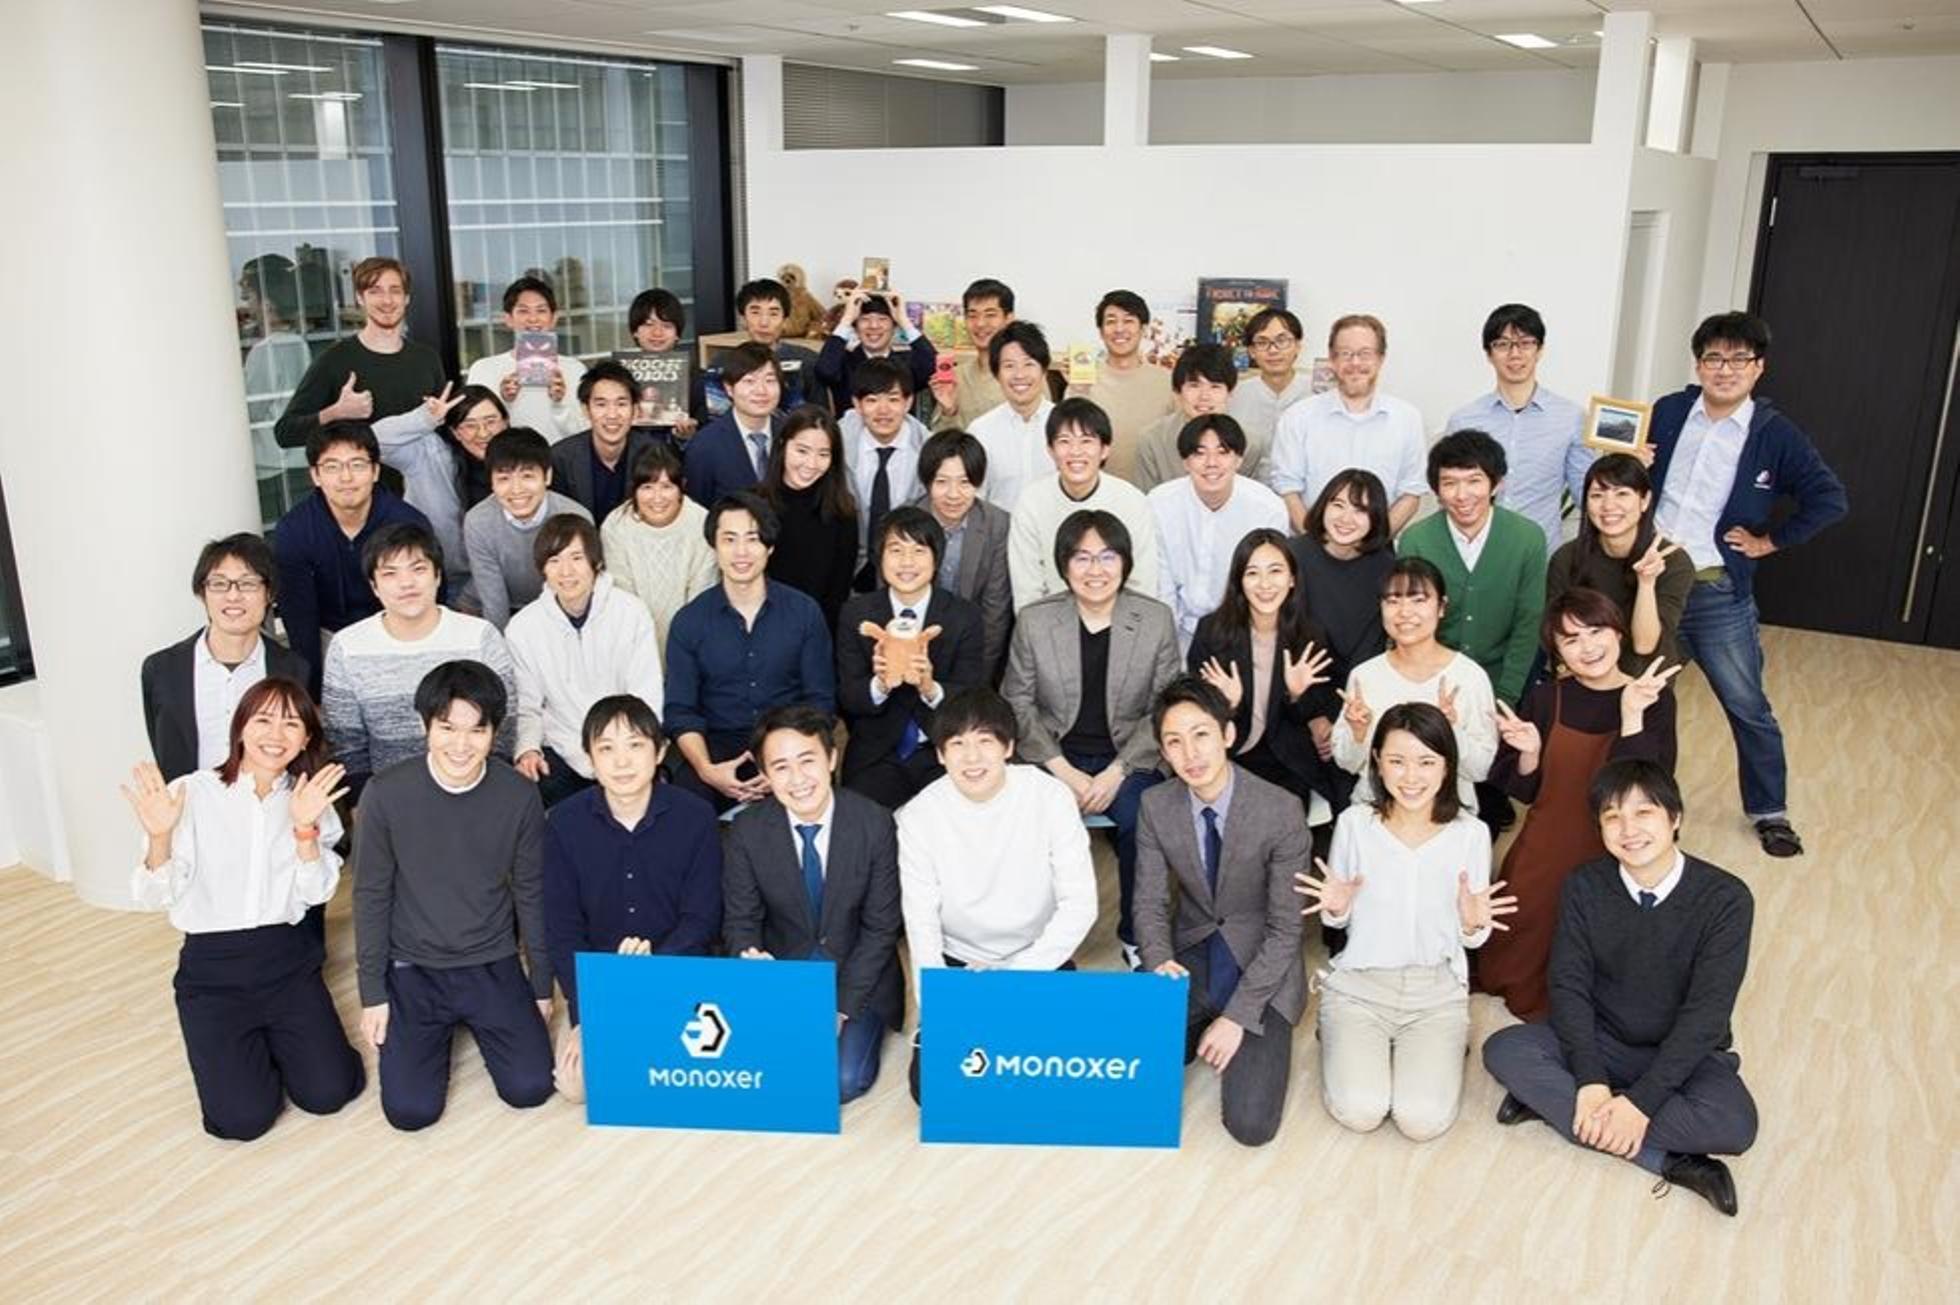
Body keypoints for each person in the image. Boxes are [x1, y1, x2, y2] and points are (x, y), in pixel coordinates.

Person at [1482, 759, 1758, 1217]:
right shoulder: (1585, 885)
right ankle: (1667, 1161)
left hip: (1681, 1051)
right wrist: (1592, 1080)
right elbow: (1568, 985)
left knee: (1735, 1124)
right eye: (1613, 816)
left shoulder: (1726, 899)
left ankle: (1560, 1108)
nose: (1629, 829)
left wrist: (1641, 1104)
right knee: (1504, 1049)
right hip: (1603, 1041)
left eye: (1644, 812)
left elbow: (1706, 1017)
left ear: (1675, 818)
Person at [123, 678, 363, 1141]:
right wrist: (159, 837)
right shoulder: (191, 792)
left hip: (288, 963)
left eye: (291, 724)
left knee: (329, 1093)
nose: (276, 735)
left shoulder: (309, 800)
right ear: (240, 728)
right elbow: (153, 896)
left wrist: (304, 829)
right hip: (212, 975)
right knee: (243, 1120)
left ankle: (285, 1047)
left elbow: (316, 893)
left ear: (306, 739)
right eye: (263, 720)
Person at [1648, 310, 1847, 857]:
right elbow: (1631, 483)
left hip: (1715, 593)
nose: (1725, 368)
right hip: (1652, 587)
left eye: (1739, 359)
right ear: (1698, 364)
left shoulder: (1774, 434)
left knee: (1747, 705)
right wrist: (1633, 463)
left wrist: (1770, 541)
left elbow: (1829, 498)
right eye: (1714, 357)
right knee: (1644, 698)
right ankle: (1647, 805)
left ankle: (1769, 811)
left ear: (1759, 368)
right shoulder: (1668, 412)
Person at [1297, 702, 1513, 1141]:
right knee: (1361, 1110)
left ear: (1447, 765)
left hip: (1435, 994)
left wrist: (1473, 925)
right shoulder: (1355, 824)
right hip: (1360, 988)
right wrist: (1335, 909)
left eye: (1426, 762)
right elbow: (1339, 920)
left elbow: (1473, 939)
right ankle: (1335, 1032)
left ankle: (1443, 1046)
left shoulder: (1471, 833)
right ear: (1377, 761)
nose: (1411, 777)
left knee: (1421, 1120)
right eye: (1397, 761)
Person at [353, 661, 555, 1131]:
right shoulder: (385, 794)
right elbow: (370, 896)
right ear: (425, 725)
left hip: (491, 959)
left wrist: (541, 986)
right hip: (413, 966)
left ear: (495, 732)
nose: (461, 745)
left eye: (476, 730)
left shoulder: (519, 796)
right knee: (410, 1112)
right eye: (447, 728)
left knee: (530, 1088)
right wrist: (372, 993)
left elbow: (531, 892)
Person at [1482, 589, 1680, 1021]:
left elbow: (1650, 791)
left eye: (1596, 631)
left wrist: (1632, 716)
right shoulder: (1546, 699)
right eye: (1571, 639)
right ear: (1556, 651)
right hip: (1547, 842)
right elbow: (1524, 791)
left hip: (1621, 849)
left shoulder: (1652, 698)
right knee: (1511, 946)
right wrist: (1531, 753)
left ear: (1618, 633)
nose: (1587, 647)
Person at [896, 687, 1097, 1102]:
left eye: (985, 741)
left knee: (1069, 1072)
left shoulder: (1050, 797)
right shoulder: (917, 817)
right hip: (961, 965)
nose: (972, 758)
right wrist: (939, 1002)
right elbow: (921, 922)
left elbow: (1080, 904)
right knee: (932, 1089)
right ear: (940, 754)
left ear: (1008, 747)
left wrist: (1017, 975)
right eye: (957, 744)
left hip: (1037, 957)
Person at [1135, 676, 1309, 1147]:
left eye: (1201, 734)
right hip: (1191, 955)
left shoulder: (1281, 810)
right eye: (1174, 741)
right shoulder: (1156, 805)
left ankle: (1215, 1025)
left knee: (1250, 1126)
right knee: (1126, 1071)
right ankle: (1194, 1027)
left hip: (1260, 964)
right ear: (1163, 752)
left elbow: (1286, 928)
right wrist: (1157, 959)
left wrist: (1237, 1017)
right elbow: (1149, 901)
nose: (1190, 753)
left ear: (1228, 734)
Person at [1002, 510, 1180, 969]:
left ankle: (1138, 936)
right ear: (1064, 565)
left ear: (1125, 563)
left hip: (1129, 756)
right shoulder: (1036, 621)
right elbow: (1016, 703)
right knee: (1028, 819)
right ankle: (1035, 939)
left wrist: (1117, 771)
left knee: (1145, 818)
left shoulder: (1155, 620)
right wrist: (1063, 770)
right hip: (1052, 756)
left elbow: (1165, 707)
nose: (1095, 570)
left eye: (1107, 557)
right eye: (1082, 558)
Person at [543, 694, 721, 1104]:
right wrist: (586, 1013)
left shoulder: (696, 816)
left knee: (689, 1075)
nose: (621, 762)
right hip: (603, 982)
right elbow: (562, 930)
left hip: (678, 969)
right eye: (606, 748)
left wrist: (648, 967)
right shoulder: (563, 824)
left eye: (635, 745)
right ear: (589, 758)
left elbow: (702, 918)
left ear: (659, 752)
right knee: (577, 1088)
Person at [724, 705, 904, 1104]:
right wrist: (749, 956)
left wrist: (839, 1009)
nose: (798, 779)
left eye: (807, 761)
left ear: (832, 759)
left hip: (857, 978)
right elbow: (740, 920)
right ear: (766, 774)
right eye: (781, 767)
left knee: (841, 1080)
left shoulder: (874, 823)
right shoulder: (747, 831)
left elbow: (881, 929)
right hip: (785, 977)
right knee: (759, 1069)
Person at [663, 493, 836, 813]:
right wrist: (707, 770)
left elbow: (821, 701)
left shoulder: (804, 612)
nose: (741, 552)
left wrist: (785, 767)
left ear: (769, 547)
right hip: (716, 748)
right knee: (686, 804)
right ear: (714, 546)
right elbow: (680, 711)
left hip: (789, 742)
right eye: (729, 539)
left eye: (752, 539)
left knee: (809, 794)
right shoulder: (689, 621)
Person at [321, 523, 516, 794]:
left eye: (418, 569)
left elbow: (504, 725)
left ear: (437, 576)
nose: (406, 583)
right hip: (388, 799)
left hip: (476, 791)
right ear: (374, 586)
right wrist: (362, 805)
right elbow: (346, 743)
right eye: (390, 573)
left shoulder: (480, 636)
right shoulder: (348, 647)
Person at [506, 516, 664, 808]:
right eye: (554, 560)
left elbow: (647, 693)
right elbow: (527, 705)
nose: (566, 571)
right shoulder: (523, 627)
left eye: (576, 558)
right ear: (542, 569)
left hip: (623, 745)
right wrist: (527, 749)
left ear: (596, 563)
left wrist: (630, 749)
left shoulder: (631, 612)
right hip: (562, 747)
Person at [1187, 529, 1343, 824]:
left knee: (1281, 828)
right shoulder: (1212, 631)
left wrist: (1295, 695)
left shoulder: (1310, 635)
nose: (1265, 584)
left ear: (1292, 579)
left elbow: (1319, 709)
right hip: (1229, 758)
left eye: (1275, 571)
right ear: (1239, 581)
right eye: (1252, 573)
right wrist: (1227, 705)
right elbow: (1194, 713)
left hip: (1287, 762)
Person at [836, 508, 986, 808]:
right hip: (877, 754)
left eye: (919, 551)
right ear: (879, 557)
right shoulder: (857, 613)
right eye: (896, 550)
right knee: (860, 822)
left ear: (936, 559)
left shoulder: (964, 616)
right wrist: (880, 684)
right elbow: (848, 697)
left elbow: (972, 697)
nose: (907, 562)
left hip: (943, 752)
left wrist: (930, 688)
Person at [274, 422, 438, 696]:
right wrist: (311, 693)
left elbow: (430, 598)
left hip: (398, 627)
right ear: (315, 475)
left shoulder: (408, 522)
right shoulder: (295, 530)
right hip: (330, 633)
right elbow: (299, 618)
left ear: (375, 471)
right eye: (332, 467)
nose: (346, 478)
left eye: (357, 465)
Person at [1330, 558, 1497, 811]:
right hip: (1376, 813)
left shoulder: (1469, 677)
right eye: (1393, 601)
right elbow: (1347, 763)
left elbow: (1482, 769)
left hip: (1447, 817)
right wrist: (1358, 734)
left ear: (1442, 607)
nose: (1405, 612)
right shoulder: (1365, 676)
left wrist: (1452, 730)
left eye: (1418, 600)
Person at [1397, 430, 1548, 709]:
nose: (1462, 495)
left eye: (1474, 481)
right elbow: (1409, 621)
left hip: (1503, 678)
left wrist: (1506, 697)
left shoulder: (1528, 538)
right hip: (1432, 680)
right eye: (1449, 483)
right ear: (1436, 490)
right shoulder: (1416, 540)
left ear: (1496, 484)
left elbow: (1528, 622)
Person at [142, 534, 310, 780]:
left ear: (269, 594)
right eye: (219, 584)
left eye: (248, 584)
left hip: (271, 801)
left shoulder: (294, 670)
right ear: (202, 593)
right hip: (187, 802)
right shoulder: (161, 669)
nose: (233, 596)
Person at [1443, 304, 1592, 554]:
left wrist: (1626, 467)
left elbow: (1587, 494)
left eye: (1525, 343)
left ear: (1540, 350)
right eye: (1502, 344)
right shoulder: (1463, 420)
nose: (1515, 354)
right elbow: (1449, 495)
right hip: (1474, 556)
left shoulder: (1571, 418)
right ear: (1489, 354)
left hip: (1542, 557)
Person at [272, 256, 449, 458]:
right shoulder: (335, 360)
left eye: (395, 290)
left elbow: (445, 427)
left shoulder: (427, 358)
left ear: (406, 298)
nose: (387, 300)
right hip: (361, 477)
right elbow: (285, 432)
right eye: (375, 291)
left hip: (422, 476)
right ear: (360, 298)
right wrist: (337, 412)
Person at [1268, 314, 1426, 534]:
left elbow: (1411, 493)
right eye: (1345, 354)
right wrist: (1314, 545)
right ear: (1332, 359)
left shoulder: (1407, 418)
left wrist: (1375, 542)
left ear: (1380, 358)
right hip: (1310, 545)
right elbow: (1287, 490)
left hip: (1378, 547)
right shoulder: (1297, 417)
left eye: (1365, 354)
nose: (1355, 363)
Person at [1148, 414, 1288, 648]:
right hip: (1178, 629)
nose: (1211, 463)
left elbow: (1269, 583)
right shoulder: (1159, 503)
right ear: (1185, 461)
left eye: (1223, 452)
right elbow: (1162, 584)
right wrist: (1167, 642)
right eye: (1200, 453)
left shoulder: (1268, 508)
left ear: (1239, 459)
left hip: (1243, 630)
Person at [1007, 397, 1160, 610]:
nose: (1076, 451)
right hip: (1050, 620)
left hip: (1120, 619)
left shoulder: (1131, 501)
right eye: (1064, 441)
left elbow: (1142, 584)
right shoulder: (1031, 502)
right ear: (1050, 450)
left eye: (1086, 441)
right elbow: (1027, 590)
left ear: (1104, 449)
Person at [1548, 454, 1696, 673]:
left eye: (1622, 493)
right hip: (1584, 675)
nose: (1608, 505)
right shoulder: (1566, 558)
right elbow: (1558, 637)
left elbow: (1644, 645)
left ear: (1644, 500)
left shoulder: (1673, 561)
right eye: (1597, 495)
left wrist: (1646, 583)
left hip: (1644, 681)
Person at [370, 384, 507, 610]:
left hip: (500, 580)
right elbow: (373, 440)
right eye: (470, 425)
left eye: (491, 421)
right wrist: (425, 418)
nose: (483, 433)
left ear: (505, 422)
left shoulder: (517, 460)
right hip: (439, 581)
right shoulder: (428, 453)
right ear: (455, 431)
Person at [464, 428, 593, 631]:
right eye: (504, 478)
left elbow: (579, 588)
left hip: (557, 606)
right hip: (501, 605)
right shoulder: (478, 522)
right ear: (491, 482)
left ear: (547, 476)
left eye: (527, 476)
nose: (516, 489)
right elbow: (493, 600)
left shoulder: (576, 517)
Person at [1287, 469, 1396, 706]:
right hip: (1294, 694)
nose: (1346, 519)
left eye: (1360, 510)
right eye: (1338, 505)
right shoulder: (1292, 556)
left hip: (1361, 697)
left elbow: (1374, 647)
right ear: (1323, 506)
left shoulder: (1387, 568)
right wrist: (1312, 713)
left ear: (1376, 517)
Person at [599, 442, 718, 649]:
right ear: (634, 490)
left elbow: (702, 597)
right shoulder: (615, 526)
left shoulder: (701, 523)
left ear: (681, 488)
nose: (657, 498)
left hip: (692, 640)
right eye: (647, 487)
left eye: (667, 486)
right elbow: (622, 598)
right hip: (632, 639)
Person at [919, 429, 1013, 681]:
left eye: (964, 482)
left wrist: (978, 679)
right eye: (942, 482)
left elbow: (995, 611)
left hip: (973, 648)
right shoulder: (906, 521)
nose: (953, 494)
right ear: (927, 482)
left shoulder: (997, 524)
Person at [759, 405, 859, 631]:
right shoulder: (754, 505)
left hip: (818, 631)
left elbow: (838, 592)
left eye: (823, 454)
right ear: (782, 445)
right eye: (802, 451)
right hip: (761, 630)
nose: (811, 464)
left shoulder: (843, 511)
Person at [462, 275, 589, 442]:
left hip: (561, 457)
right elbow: (478, 434)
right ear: (508, 319)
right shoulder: (484, 369)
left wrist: (559, 403)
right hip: (509, 457)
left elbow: (584, 433)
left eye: (541, 310)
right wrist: (503, 401)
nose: (533, 319)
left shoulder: (574, 369)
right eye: (523, 311)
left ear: (554, 318)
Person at [839, 357, 930, 590]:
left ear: (908, 402)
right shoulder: (835, 445)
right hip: (848, 570)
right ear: (857, 404)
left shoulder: (927, 449)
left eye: (893, 399)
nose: (883, 410)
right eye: (872, 400)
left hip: (908, 572)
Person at [1069, 289, 1174, 482]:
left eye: (1128, 320)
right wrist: (1078, 390)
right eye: (1111, 321)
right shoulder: (1083, 380)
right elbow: (1071, 438)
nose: (1119, 329)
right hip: (1097, 491)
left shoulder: (1167, 381)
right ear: (1101, 331)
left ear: (1143, 329)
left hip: (1153, 491)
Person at [550, 360, 660, 521]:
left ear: (636, 410)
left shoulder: (655, 454)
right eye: (601, 404)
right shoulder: (561, 458)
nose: (612, 415)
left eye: (621, 404)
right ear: (586, 410)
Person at [967, 321, 1056, 512]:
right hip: (1000, 530)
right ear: (997, 374)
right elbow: (974, 498)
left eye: (1028, 364)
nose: (1019, 375)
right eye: (1009, 366)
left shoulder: (1064, 426)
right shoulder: (980, 431)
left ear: (1044, 370)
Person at [684, 342, 786, 507]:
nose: (761, 391)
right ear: (729, 388)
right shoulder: (705, 446)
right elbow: (699, 509)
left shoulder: (791, 434)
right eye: (749, 381)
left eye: (770, 380)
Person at [1133, 343, 1243, 493]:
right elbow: (1146, 499)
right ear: (1177, 391)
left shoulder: (1252, 444)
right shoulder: (1152, 441)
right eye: (1194, 385)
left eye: (1215, 386)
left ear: (1230, 392)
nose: (1204, 396)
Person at [815, 286, 937, 418]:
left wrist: (904, 321)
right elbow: (825, 371)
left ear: (894, 327)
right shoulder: (844, 362)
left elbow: (934, 367)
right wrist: (847, 319)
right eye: (865, 319)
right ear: (855, 328)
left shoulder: (906, 363)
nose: (874, 326)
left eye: (882, 319)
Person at [1226, 307, 1314, 461]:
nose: (1273, 350)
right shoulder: (1234, 395)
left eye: (1282, 341)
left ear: (1298, 346)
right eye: (1262, 342)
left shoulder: (1317, 392)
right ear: (1251, 351)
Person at [928, 277, 1014, 431]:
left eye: (990, 315)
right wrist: (949, 411)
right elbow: (939, 440)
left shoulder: (1025, 375)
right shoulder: (956, 376)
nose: (980, 323)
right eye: (972, 315)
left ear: (1008, 319)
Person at [725, 277, 817, 410]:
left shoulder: (808, 361)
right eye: (755, 312)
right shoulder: (724, 362)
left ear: (785, 320)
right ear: (742, 319)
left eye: (773, 314)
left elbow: (820, 415)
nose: (764, 322)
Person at [624, 287, 701, 438]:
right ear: (635, 331)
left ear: (677, 334)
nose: (657, 333)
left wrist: (689, 435)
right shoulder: (619, 375)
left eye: (667, 326)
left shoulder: (696, 378)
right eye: (648, 324)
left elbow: (707, 427)